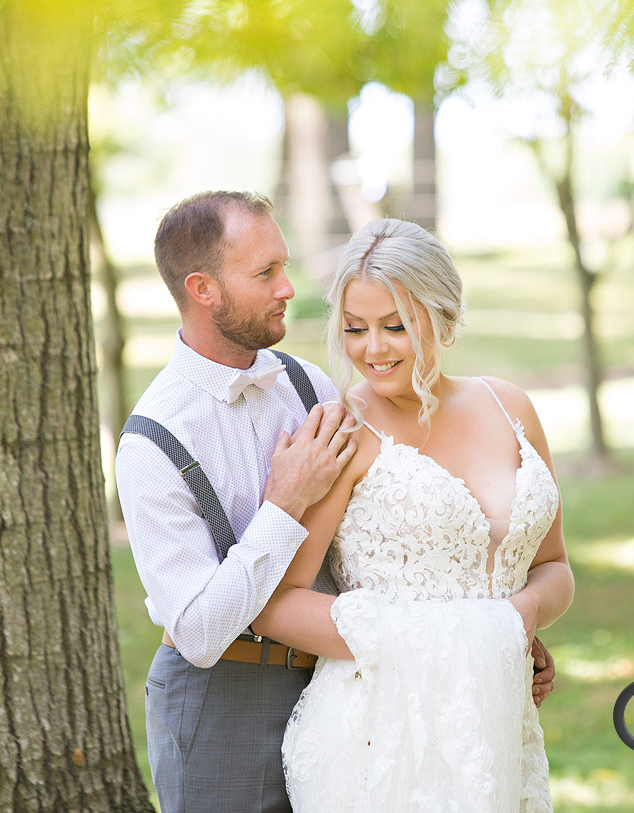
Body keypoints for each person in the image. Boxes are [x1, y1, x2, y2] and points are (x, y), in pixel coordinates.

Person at [116, 193, 559, 812]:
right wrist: (283, 505)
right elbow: (197, 632)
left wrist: (497, 629)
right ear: (204, 288)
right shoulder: (151, 444)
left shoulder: (309, 387)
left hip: (345, 684)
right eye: (266, 272)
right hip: (227, 700)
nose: (289, 288)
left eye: (285, 265)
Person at [253, 218, 574, 811]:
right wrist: (441, 642)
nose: (373, 349)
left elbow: (553, 566)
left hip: (498, 721)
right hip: (383, 730)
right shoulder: (342, 430)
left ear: (445, 318)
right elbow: (278, 602)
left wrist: (519, 619)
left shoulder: (511, 406)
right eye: (355, 328)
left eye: (394, 326)